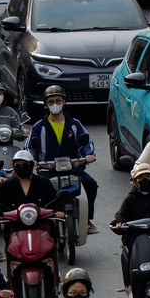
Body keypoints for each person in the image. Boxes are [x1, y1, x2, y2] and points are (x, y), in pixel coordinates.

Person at [25, 86, 99, 229]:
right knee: (38, 192)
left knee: (91, 185)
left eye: (58, 100)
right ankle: (39, 220)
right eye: (51, 101)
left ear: (64, 102)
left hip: (73, 169)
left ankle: (87, 219)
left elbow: (85, 141)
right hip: (47, 171)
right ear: (46, 105)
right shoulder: (38, 127)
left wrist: (88, 154)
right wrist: (32, 160)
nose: (55, 104)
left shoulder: (75, 124)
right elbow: (30, 146)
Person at [0, 151, 57, 220]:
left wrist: (59, 211)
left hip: (42, 225)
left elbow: (54, 202)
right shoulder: (6, 186)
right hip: (14, 227)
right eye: (18, 165)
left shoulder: (44, 183)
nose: (21, 168)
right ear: (13, 165)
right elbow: (0, 205)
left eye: (25, 165)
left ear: (32, 165)